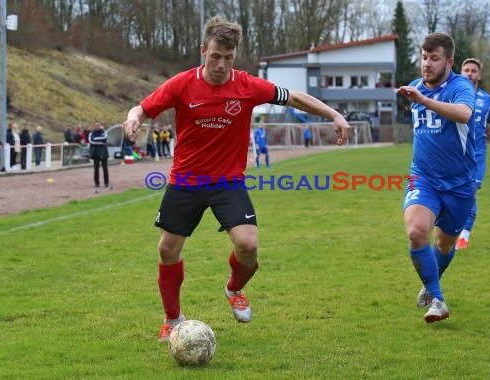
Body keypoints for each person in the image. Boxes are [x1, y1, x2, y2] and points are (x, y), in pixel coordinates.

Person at [122, 15, 351, 342]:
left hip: (227, 182)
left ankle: (234, 288)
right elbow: (142, 108)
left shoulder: (247, 86)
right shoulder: (182, 84)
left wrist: (334, 114)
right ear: (204, 50)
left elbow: (295, 97)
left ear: (235, 57)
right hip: (186, 180)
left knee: (248, 245)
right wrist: (132, 121)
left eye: (228, 58)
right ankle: (172, 318)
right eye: (215, 56)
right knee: (168, 250)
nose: (220, 64)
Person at [396, 32, 476, 323]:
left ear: (449, 61)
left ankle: (430, 285)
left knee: (443, 245)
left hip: (459, 185)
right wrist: (419, 97)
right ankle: (437, 298)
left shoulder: (460, 86)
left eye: (434, 58)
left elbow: (464, 114)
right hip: (423, 178)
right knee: (417, 232)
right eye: (424, 57)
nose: (427, 64)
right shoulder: (416, 88)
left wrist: (424, 101)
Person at [456, 58, 490, 250]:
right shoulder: (451, 96)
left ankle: (464, 237)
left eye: (473, 71)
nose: (469, 73)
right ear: (461, 73)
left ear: (479, 75)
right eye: (466, 70)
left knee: (470, 194)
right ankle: (450, 229)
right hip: (454, 155)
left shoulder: (487, 100)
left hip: (476, 156)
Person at [88, 121, 112, 193]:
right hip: (95, 152)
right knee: (96, 169)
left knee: (105, 168)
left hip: (103, 152)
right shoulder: (91, 133)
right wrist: (101, 142)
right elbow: (91, 141)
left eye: (98, 125)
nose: (97, 127)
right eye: (95, 125)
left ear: (100, 126)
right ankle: (97, 183)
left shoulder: (104, 132)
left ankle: (106, 183)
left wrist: (98, 141)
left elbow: (104, 137)